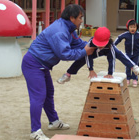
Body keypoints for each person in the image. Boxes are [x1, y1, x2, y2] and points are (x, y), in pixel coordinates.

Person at [21, 4, 95, 140]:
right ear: (72, 18)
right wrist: (85, 51)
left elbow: (77, 44)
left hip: (42, 65)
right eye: (80, 18)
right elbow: (65, 54)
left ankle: (53, 121)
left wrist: (93, 44)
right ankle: (35, 131)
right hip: (33, 64)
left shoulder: (70, 28)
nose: (81, 21)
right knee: (39, 96)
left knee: (49, 93)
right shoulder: (60, 31)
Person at [57, 27, 139, 84]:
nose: (100, 45)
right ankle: (68, 74)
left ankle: (134, 67)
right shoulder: (91, 43)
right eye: (99, 43)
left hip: (108, 50)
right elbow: (88, 56)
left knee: (119, 53)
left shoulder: (110, 46)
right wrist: (91, 69)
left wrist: (110, 73)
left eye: (101, 44)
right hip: (94, 51)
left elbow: (112, 59)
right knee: (82, 56)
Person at [114, 19, 139, 87]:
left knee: (135, 67)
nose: (132, 29)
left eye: (134, 27)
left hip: (136, 54)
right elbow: (119, 38)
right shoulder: (126, 34)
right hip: (128, 54)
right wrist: (113, 45)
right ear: (128, 28)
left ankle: (135, 79)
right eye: (131, 27)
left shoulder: (138, 35)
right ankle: (128, 78)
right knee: (128, 67)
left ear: (137, 28)